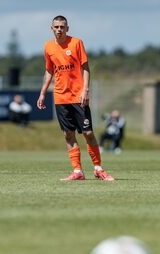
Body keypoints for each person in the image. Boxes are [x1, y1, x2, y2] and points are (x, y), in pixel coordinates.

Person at [37, 15, 114, 181]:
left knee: (87, 132)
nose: (59, 29)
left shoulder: (76, 43)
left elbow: (85, 67)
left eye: (62, 27)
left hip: (78, 96)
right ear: (52, 29)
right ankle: (78, 171)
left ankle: (98, 169)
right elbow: (49, 70)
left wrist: (85, 89)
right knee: (68, 135)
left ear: (67, 28)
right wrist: (43, 92)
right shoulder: (48, 46)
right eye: (56, 27)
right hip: (60, 97)